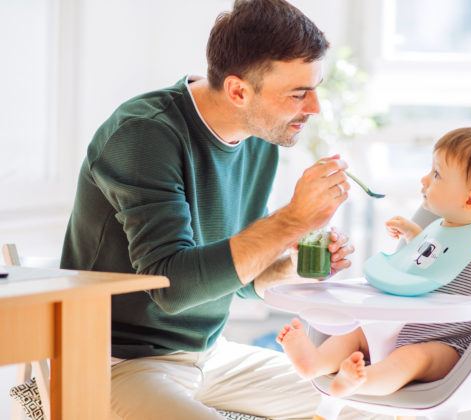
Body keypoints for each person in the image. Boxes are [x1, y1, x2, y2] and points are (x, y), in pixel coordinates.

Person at [60, 1, 381, 419]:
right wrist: (291, 221)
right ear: (238, 91)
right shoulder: (144, 135)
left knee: (366, 401)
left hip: (209, 355)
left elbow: (240, 281)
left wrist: (294, 262)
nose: (314, 107)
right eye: (299, 93)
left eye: (315, 88)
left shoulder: (258, 136)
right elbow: (172, 288)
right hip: (116, 361)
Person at [277, 127, 471, 398]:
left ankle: (362, 381)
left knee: (410, 358)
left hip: (448, 344)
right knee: (357, 334)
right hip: (402, 325)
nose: (425, 179)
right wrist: (413, 236)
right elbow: (430, 261)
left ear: (470, 200)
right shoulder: (436, 228)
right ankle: (314, 362)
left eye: (437, 174)